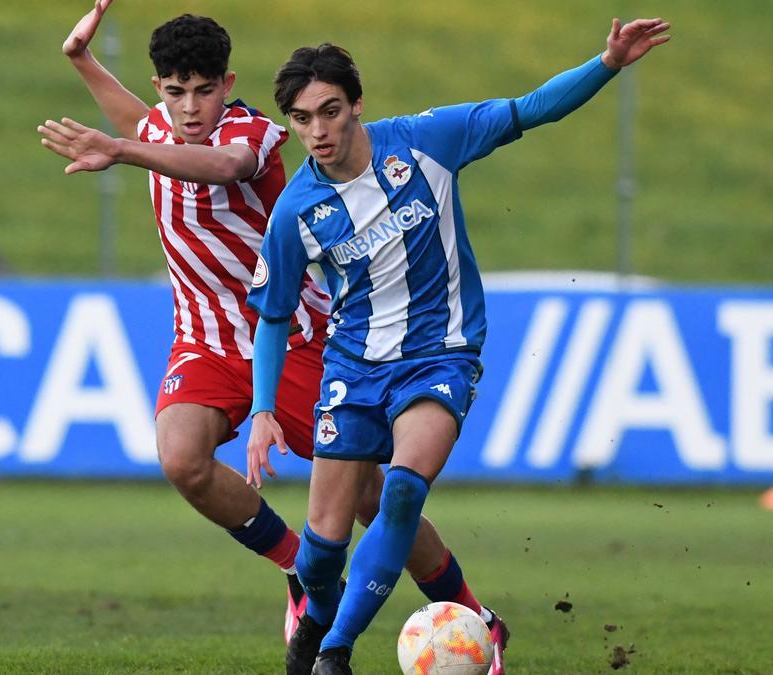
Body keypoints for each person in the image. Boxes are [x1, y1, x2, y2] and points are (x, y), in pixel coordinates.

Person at [37, 1, 507, 662]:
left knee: (372, 495)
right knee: (180, 455)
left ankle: (475, 613)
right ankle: (299, 571)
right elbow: (134, 122)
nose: (191, 107)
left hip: (291, 341)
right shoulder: (153, 126)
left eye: (205, 91)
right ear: (160, 91)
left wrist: (120, 150)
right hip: (202, 340)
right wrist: (81, 60)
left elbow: (223, 166)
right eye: (176, 93)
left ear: (227, 85)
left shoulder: (254, 134)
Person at [246, 17, 671, 674]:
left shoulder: (425, 142)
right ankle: (333, 620)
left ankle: (333, 651)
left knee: (403, 491)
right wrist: (263, 408)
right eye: (302, 119)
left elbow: (529, 110)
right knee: (324, 545)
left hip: (441, 353)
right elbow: (273, 315)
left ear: (357, 104)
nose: (318, 131)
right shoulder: (296, 210)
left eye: (330, 111)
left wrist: (607, 63)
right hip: (353, 368)